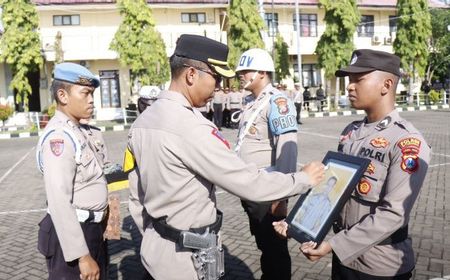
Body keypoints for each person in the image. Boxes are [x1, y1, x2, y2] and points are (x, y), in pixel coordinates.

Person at [125, 34, 325, 280]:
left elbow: (136, 195)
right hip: (185, 257)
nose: (218, 86)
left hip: (156, 248)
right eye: (216, 78)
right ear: (191, 75)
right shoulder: (192, 127)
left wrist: (153, 237)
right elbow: (245, 181)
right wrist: (302, 179)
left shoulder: (143, 121)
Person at [274, 49, 431, 280]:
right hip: (344, 258)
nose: (349, 86)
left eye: (359, 79)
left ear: (386, 84)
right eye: (349, 79)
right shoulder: (351, 133)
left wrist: (333, 245)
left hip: (379, 265)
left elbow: (393, 214)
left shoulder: (407, 142)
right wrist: (296, 224)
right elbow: (332, 191)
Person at [36, 62, 108, 280]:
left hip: (91, 231)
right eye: (85, 93)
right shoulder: (60, 137)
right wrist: (82, 256)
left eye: (92, 93)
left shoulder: (82, 131)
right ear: (63, 96)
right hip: (71, 235)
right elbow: (59, 200)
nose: (91, 99)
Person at [235, 48, 298, 280]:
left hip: (268, 191)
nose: (240, 74)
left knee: (275, 250)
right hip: (253, 189)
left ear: (261, 72)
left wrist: (281, 197)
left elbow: (287, 151)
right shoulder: (252, 101)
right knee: (265, 245)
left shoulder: (277, 101)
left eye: (245, 70)